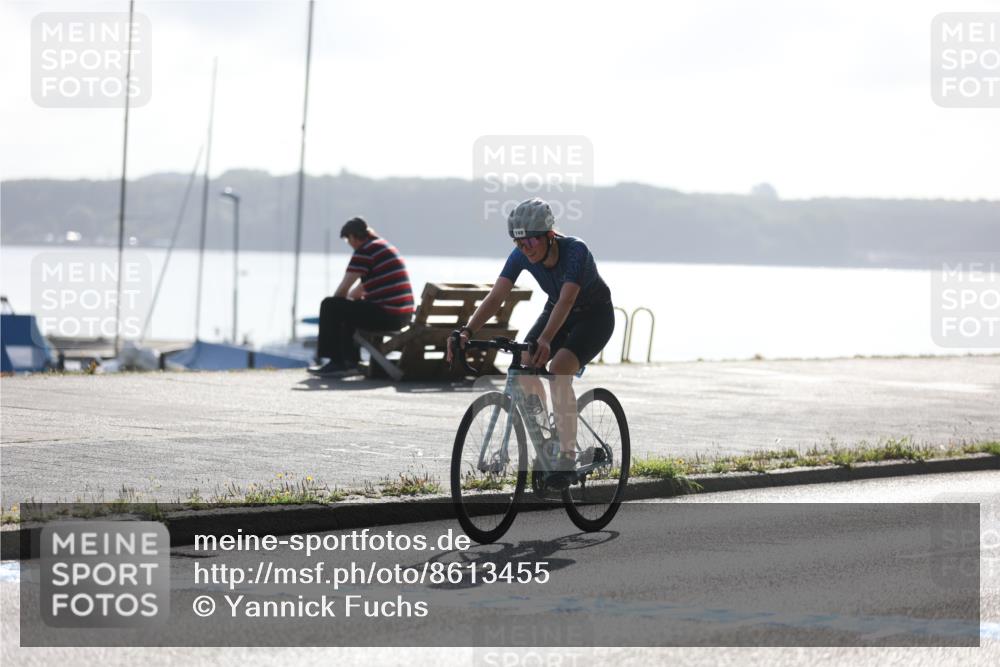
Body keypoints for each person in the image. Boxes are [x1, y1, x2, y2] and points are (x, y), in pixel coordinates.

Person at [446, 197, 615, 478]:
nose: (525, 248)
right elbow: (497, 295)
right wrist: (467, 331)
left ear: (550, 236)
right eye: (518, 242)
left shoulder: (575, 250)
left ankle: (567, 455)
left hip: (594, 316)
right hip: (557, 309)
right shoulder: (521, 255)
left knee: (559, 369)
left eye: (531, 241)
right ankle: (549, 438)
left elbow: (566, 300)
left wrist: (547, 339)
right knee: (525, 364)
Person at [310, 217, 414, 376]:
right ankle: (350, 361)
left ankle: (336, 362)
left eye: (348, 240)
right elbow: (359, 290)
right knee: (351, 308)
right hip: (403, 317)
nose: (349, 244)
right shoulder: (383, 247)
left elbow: (342, 291)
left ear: (352, 237)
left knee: (330, 305)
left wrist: (340, 305)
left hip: (387, 315)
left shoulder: (365, 251)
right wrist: (348, 303)